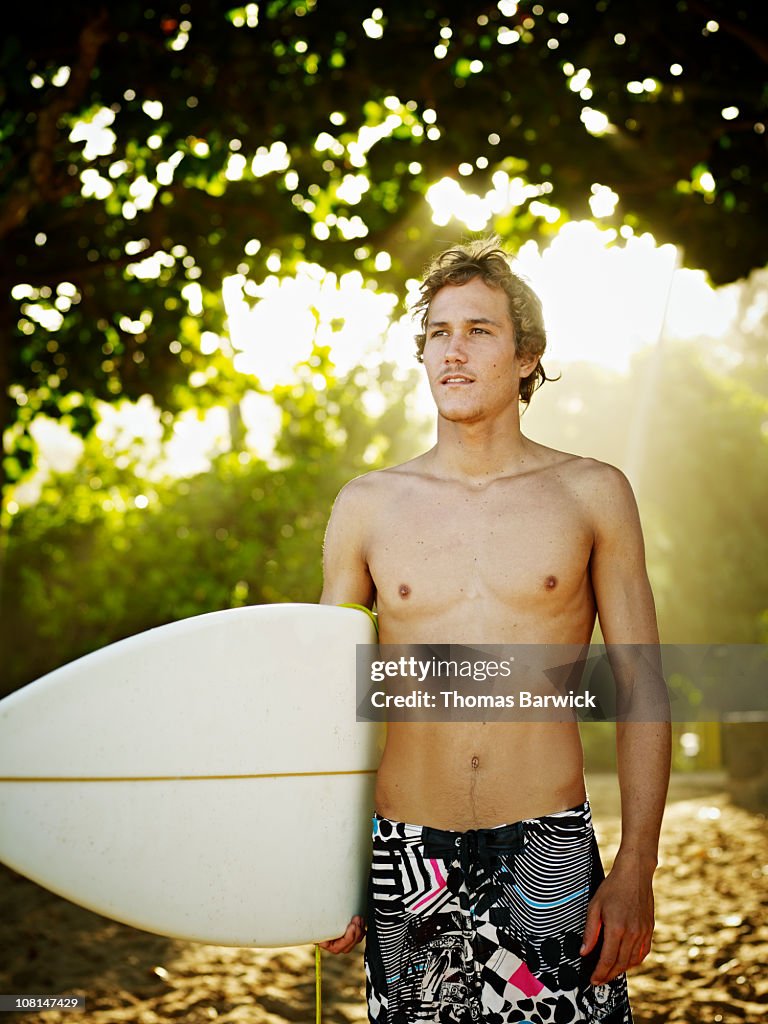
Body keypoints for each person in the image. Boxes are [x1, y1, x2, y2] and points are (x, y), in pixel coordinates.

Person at [319, 238, 671, 1023]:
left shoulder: (592, 493)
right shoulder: (367, 506)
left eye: (478, 330)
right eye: (438, 333)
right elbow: (330, 702)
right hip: (407, 855)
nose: (454, 351)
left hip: (547, 852)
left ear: (527, 357)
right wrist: (321, 863)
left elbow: (644, 686)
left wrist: (636, 866)